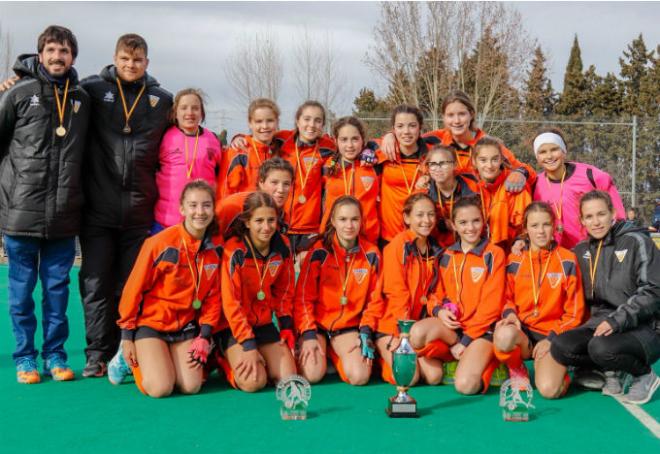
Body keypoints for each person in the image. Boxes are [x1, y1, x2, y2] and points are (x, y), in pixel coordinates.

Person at [78, 34, 173, 377]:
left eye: (137, 60)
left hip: (139, 211)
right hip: (98, 209)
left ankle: (126, 348)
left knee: (131, 285)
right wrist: (23, 70)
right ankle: (96, 353)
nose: (130, 65)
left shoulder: (162, 100)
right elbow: (52, 82)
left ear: (147, 62)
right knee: (95, 283)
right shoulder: (91, 89)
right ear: (114, 59)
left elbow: (187, 133)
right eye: (124, 59)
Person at [0, 25, 90, 384]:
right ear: (40, 54)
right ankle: (24, 358)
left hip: (64, 215)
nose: (58, 57)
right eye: (52, 50)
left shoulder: (82, 97)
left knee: (57, 293)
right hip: (20, 213)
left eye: (65, 51)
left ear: (73, 57)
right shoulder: (18, 92)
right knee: (21, 293)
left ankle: (55, 355)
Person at [111, 180, 222, 397]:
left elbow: (213, 297)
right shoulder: (158, 244)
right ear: (182, 209)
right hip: (152, 325)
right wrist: (126, 334)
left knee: (191, 387)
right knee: (161, 388)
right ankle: (128, 360)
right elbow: (133, 289)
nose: (200, 212)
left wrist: (205, 335)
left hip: (185, 327)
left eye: (206, 205)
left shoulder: (216, 248)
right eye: (193, 205)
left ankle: (165, 358)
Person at [550, 190, 660, 405]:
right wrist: (525, 245)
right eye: (589, 217)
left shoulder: (637, 241)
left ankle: (644, 374)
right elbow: (555, 260)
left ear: (613, 213)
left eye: (601, 214)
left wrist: (616, 320)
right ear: (581, 220)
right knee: (560, 346)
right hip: (601, 324)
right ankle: (611, 370)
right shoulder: (582, 250)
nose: (596, 222)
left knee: (599, 347)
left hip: (644, 327)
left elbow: (654, 289)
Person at [411, 196, 505, 395]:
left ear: (484, 221)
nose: (470, 228)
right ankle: (455, 357)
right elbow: (435, 293)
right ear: (453, 225)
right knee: (417, 334)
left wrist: (466, 341)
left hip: (481, 332)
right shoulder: (446, 255)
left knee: (465, 386)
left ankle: (493, 364)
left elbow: (492, 306)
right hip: (453, 329)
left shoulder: (494, 254)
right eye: (463, 222)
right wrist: (438, 311)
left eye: (476, 221)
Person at [493, 202, 585, 399]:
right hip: (523, 333)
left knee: (549, 390)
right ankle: (517, 369)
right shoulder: (514, 260)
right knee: (503, 335)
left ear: (554, 226)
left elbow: (575, 313)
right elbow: (505, 297)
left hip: (552, 334)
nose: (541, 231)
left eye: (546, 225)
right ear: (526, 229)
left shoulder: (568, 260)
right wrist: (510, 314)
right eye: (534, 226)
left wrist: (552, 338)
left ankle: (563, 370)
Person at [295, 196, 384, 385]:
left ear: (361, 221)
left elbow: (374, 300)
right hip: (318, 326)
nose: (349, 225)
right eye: (343, 219)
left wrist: (366, 330)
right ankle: (322, 351)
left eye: (354, 219)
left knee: (360, 377)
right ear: (333, 221)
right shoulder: (319, 251)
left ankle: (334, 355)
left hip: (347, 328)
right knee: (311, 375)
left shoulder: (371, 254)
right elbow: (303, 298)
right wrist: (308, 333)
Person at [379, 90, 535, 193]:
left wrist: (520, 173)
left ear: (471, 115)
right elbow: (408, 137)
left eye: (462, 114)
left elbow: (525, 170)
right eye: (450, 115)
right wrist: (390, 135)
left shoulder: (487, 144)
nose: (457, 121)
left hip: (476, 218)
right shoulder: (436, 139)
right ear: (444, 118)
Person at [218, 192, 297, 392]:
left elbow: (284, 291)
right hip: (233, 327)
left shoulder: (283, 246)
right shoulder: (233, 251)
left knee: (289, 379)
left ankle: (262, 358)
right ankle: (222, 359)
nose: (266, 227)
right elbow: (231, 303)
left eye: (271, 220)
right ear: (247, 222)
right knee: (254, 382)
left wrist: (286, 325)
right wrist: (248, 344)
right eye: (259, 220)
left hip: (263, 323)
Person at [376, 193, 445, 385]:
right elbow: (396, 293)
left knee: (434, 376)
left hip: (418, 327)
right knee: (410, 379)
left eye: (431, 215)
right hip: (394, 326)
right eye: (420, 215)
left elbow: (436, 292)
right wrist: (402, 335)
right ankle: (381, 353)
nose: (427, 220)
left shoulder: (437, 249)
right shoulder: (397, 246)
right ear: (407, 218)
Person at [532, 128, 625, 249]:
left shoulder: (591, 175)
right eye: (542, 152)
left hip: (594, 250)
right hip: (558, 255)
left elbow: (617, 215)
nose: (549, 156)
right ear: (537, 157)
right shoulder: (535, 184)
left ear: (564, 151)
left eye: (554, 149)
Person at [153, 88, 222, 233]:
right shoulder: (164, 137)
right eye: (184, 108)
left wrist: (238, 138)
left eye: (195, 108)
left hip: (201, 221)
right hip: (166, 221)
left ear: (202, 113)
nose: (190, 112)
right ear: (175, 113)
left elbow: (221, 174)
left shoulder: (213, 140)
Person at [276, 101, 336, 257]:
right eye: (307, 119)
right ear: (298, 120)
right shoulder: (283, 140)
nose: (312, 125)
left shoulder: (327, 148)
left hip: (310, 228)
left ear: (322, 124)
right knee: (283, 274)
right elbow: (258, 137)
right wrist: (238, 137)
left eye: (317, 120)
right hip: (282, 225)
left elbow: (352, 147)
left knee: (306, 275)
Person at [366, 105, 431, 245]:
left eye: (412, 125)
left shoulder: (430, 157)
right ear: (393, 129)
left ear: (420, 127)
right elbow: (364, 145)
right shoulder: (384, 153)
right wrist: (387, 137)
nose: (406, 131)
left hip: (420, 235)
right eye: (400, 126)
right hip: (389, 236)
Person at [321, 117, 380, 244]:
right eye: (344, 139)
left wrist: (373, 148)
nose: (349, 145)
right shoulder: (328, 166)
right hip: (333, 238)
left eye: (355, 139)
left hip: (367, 238)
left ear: (362, 140)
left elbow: (394, 144)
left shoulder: (375, 164)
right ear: (336, 141)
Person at [472, 136, 532, 252]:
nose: (489, 166)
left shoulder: (515, 184)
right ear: (474, 162)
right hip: (477, 253)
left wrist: (521, 240)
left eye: (494, 159)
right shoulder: (470, 186)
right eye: (483, 160)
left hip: (510, 253)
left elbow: (525, 225)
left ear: (501, 160)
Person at [215, 157, 294, 239]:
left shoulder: (283, 218)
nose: (281, 190)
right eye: (274, 182)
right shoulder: (234, 205)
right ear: (261, 182)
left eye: (286, 184)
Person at [222, 98, 280, 197]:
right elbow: (225, 193)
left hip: (274, 211)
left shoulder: (282, 146)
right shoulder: (238, 151)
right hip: (246, 210)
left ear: (277, 122)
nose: (265, 126)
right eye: (259, 121)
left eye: (270, 121)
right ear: (250, 123)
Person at [422, 145, 478, 248]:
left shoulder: (473, 189)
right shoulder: (423, 192)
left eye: (443, 163)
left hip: (469, 246)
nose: (438, 168)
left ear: (455, 165)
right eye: (433, 164)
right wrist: (441, 224)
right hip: (435, 248)